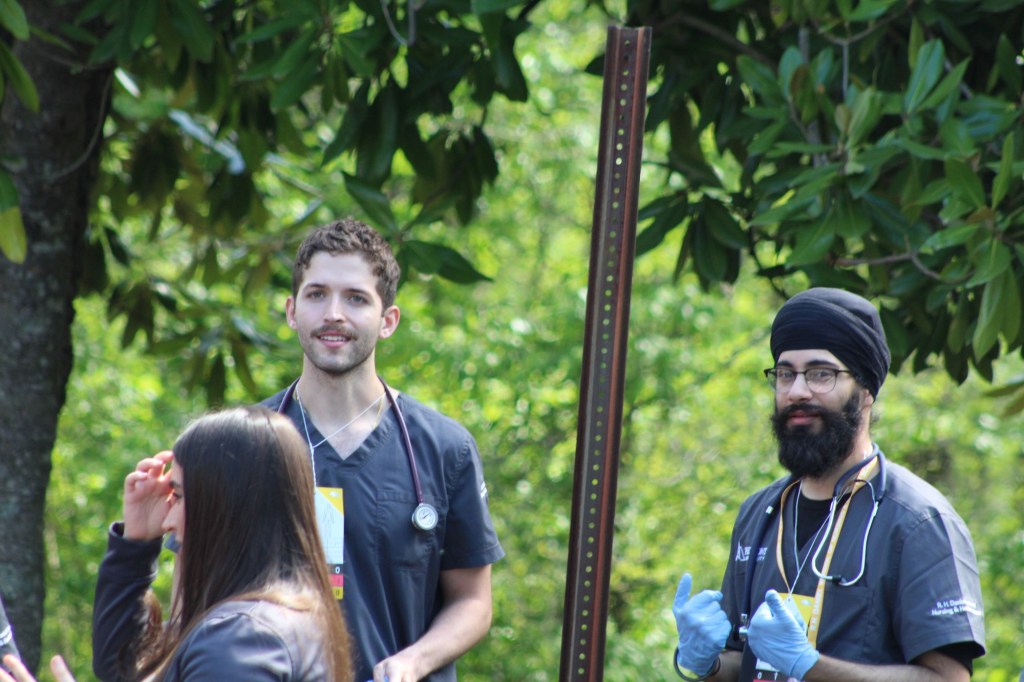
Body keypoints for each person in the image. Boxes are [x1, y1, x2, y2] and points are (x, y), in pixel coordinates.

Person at [671, 287, 985, 682]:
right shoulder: (758, 513)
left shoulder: (918, 522)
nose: (797, 391)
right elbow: (743, 662)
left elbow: (948, 679)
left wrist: (810, 666)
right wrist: (708, 663)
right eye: (785, 374)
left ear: (866, 392)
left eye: (821, 374)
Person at [260, 218, 504, 682]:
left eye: (356, 298)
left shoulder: (444, 449)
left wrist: (415, 661)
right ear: (292, 311)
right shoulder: (239, 444)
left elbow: (473, 601)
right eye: (317, 294)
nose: (334, 313)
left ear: (387, 320)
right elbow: (196, 598)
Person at [91, 406, 353, 681]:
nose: (167, 521)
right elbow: (122, 667)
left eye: (177, 496)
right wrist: (137, 543)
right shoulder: (277, 621)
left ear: (225, 505)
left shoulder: (239, 638)